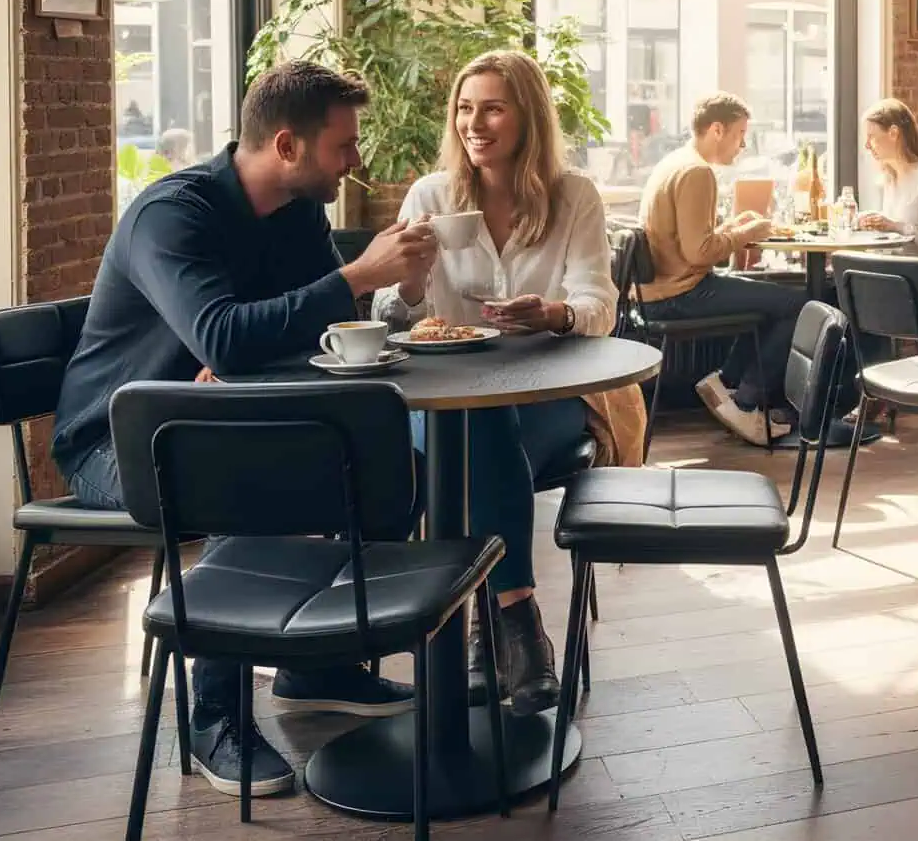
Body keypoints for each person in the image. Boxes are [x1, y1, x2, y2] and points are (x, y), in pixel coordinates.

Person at [49, 60, 441, 797]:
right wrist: (356, 275)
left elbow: (336, 328)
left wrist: (402, 286)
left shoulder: (296, 214)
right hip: (116, 442)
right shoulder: (172, 215)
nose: (356, 161)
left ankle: (313, 663)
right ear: (287, 146)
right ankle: (213, 720)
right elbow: (224, 336)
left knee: (386, 466)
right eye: (343, 146)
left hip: (222, 425)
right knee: (248, 485)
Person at [372, 50, 620, 717]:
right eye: (463, 107)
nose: (472, 123)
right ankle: (519, 619)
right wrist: (411, 281)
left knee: (490, 428)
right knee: (478, 418)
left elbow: (600, 302)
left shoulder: (575, 198)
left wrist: (555, 312)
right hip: (445, 400)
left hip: (545, 396)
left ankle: (488, 641)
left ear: (527, 116)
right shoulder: (431, 195)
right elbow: (393, 320)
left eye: (491, 107)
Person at [637, 93, 802, 445]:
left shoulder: (675, 162)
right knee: (795, 306)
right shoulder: (697, 172)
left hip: (659, 291)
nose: (743, 144)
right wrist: (747, 233)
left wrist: (730, 227)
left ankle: (727, 385)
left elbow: (688, 240)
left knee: (766, 302)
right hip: (679, 294)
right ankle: (745, 401)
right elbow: (698, 253)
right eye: (740, 133)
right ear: (717, 129)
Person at [856, 98, 918, 259]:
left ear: (894, 133)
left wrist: (896, 226)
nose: (867, 146)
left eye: (871, 137)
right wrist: (874, 222)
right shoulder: (890, 177)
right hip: (893, 272)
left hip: (917, 277)